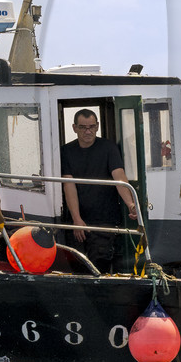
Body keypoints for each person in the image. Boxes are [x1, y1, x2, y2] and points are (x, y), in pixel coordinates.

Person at [60, 109, 140, 273]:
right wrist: (77, 220)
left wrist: (131, 204)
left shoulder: (109, 148)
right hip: (78, 219)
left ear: (97, 126)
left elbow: (119, 177)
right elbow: (69, 185)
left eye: (92, 127)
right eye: (83, 127)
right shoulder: (66, 151)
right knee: (76, 265)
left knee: (100, 263)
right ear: (74, 128)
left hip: (105, 219)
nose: (88, 131)